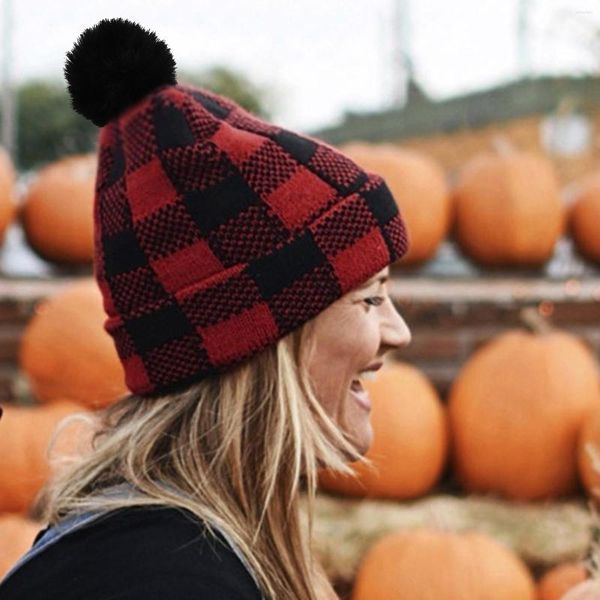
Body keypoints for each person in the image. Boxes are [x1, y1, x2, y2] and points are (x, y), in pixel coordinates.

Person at [0, 17, 411, 600]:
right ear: (258, 340)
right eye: (370, 298)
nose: (399, 332)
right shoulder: (161, 579)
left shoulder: (188, 549)